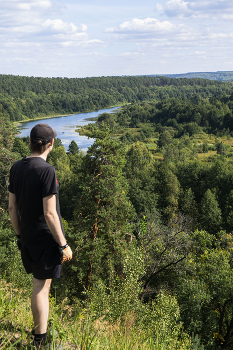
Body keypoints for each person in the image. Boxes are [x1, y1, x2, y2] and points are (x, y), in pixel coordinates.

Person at [8, 123, 72, 349]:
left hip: (26, 237)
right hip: (45, 240)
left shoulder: (16, 167)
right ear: (51, 143)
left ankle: (39, 334)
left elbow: (12, 209)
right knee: (41, 287)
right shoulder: (47, 171)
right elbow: (50, 213)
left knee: (39, 286)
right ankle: (40, 340)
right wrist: (63, 245)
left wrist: (19, 235)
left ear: (30, 142)